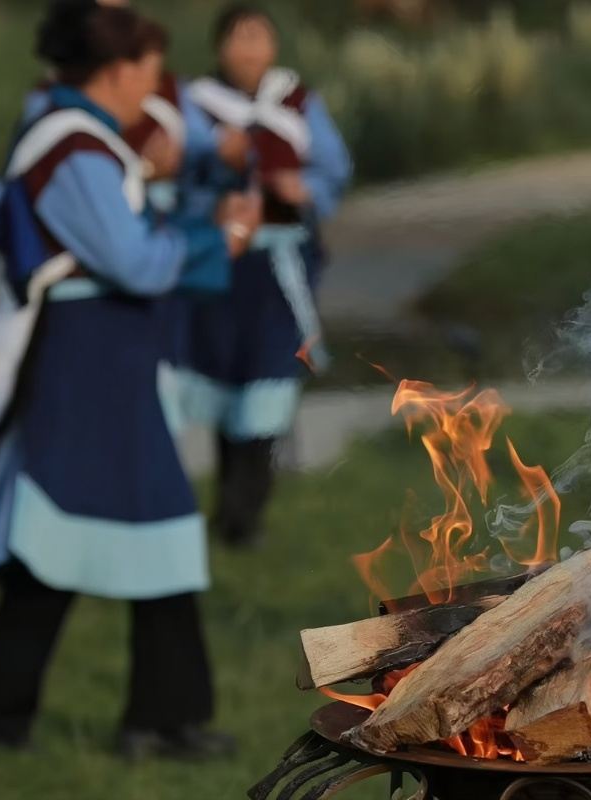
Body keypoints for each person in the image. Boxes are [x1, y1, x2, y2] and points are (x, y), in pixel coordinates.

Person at [0, 3, 258, 759]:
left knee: (149, 531)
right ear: (118, 71)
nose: (157, 88)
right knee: (55, 539)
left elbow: (134, 243)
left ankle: (153, 718)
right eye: (150, 71)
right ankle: (4, 718)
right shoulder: (74, 147)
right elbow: (134, 261)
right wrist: (218, 235)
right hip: (83, 364)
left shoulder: (84, 139)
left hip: (105, 361)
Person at [180, 3, 352, 546]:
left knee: (269, 381)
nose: (250, 50)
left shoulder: (298, 101)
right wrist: (219, 173)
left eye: (260, 38)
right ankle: (228, 507)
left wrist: (306, 191)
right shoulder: (196, 105)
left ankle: (245, 514)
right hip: (221, 265)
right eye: (239, 38)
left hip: (281, 269)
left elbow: (333, 169)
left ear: (274, 47)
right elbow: (176, 177)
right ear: (220, 47)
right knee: (226, 381)